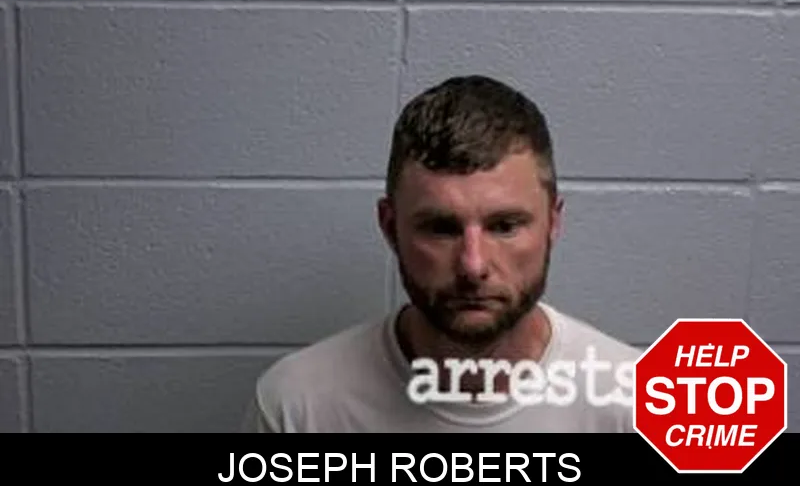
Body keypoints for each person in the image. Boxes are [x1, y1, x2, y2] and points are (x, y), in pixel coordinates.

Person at [242, 75, 641, 433]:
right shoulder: (298, 407)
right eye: (440, 228)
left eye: (504, 226)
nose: (473, 265)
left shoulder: (639, 402)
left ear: (553, 222)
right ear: (390, 227)